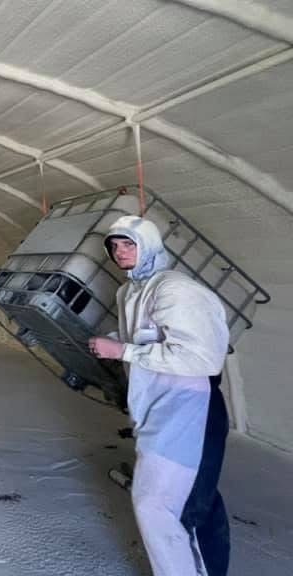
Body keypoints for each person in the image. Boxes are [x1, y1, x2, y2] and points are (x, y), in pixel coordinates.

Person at [88, 215, 231, 576]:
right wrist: (119, 343)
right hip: (160, 408)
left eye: (129, 244)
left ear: (149, 244)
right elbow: (147, 337)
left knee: (172, 508)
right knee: (182, 501)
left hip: (191, 407)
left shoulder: (174, 289)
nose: (120, 252)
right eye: (114, 246)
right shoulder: (130, 291)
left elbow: (204, 358)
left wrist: (122, 352)